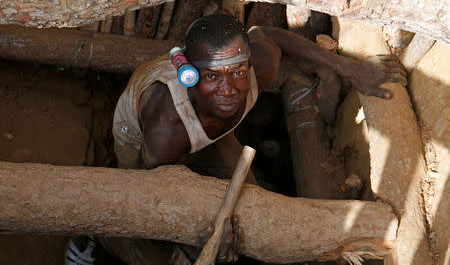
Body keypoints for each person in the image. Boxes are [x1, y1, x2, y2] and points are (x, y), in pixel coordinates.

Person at [65, 14, 406, 265]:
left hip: (208, 135)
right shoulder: (165, 131)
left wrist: (347, 68)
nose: (228, 90)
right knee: (155, 249)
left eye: (237, 73)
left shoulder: (259, 67)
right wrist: (199, 240)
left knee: (247, 207)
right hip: (148, 146)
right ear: (190, 74)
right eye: (211, 76)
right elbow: (163, 195)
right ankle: (98, 235)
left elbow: (269, 34)